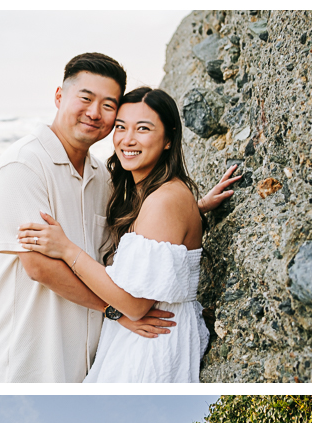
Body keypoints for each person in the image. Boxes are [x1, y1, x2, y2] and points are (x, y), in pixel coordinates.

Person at [0, 52, 241, 382]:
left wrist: (194, 208)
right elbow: (39, 266)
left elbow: (143, 227)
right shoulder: (22, 165)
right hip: (35, 353)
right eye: (86, 98)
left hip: (93, 351)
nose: (95, 113)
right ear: (60, 96)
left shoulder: (102, 178)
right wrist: (116, 311)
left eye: (108, 105)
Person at [18, 86, 213, 382]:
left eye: (143, 129)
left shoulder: (164, 200)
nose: (127, 139)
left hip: (152, 340)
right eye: (121, 127)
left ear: (169, 139)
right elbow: (164, 238)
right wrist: (198, 207)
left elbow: (134, 305)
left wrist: (67, 249)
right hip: (146, 335)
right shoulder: (155, 195)